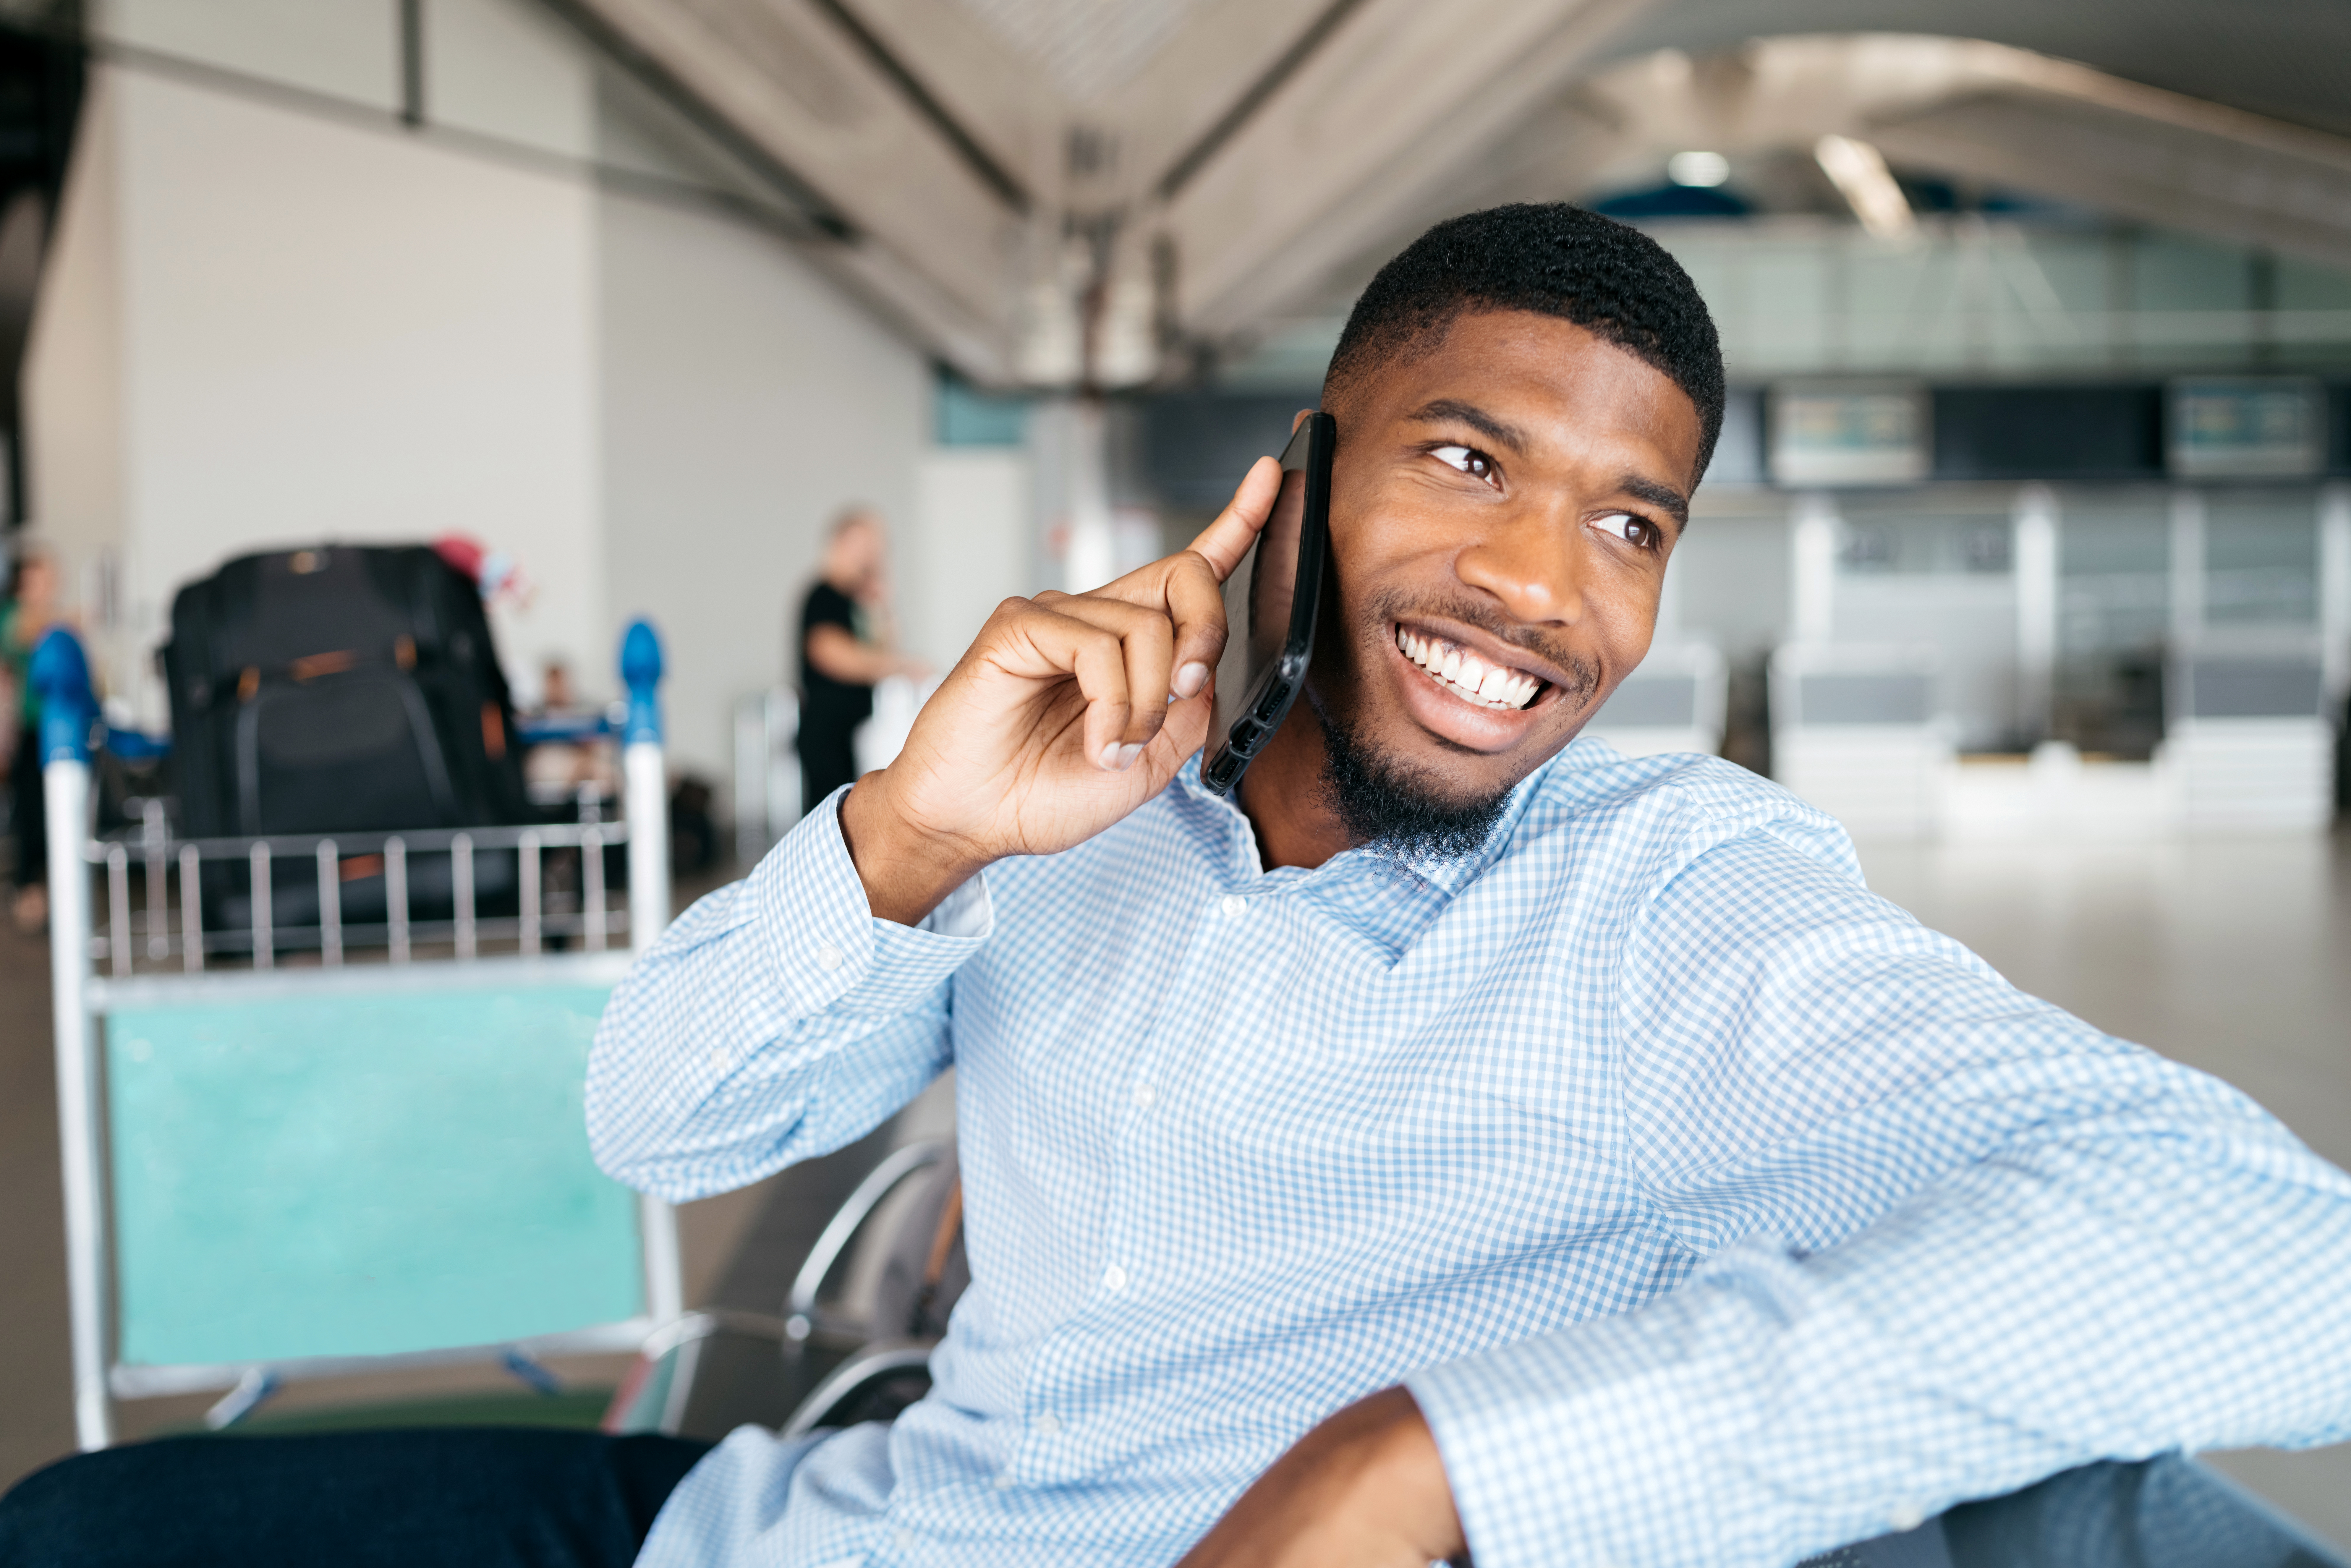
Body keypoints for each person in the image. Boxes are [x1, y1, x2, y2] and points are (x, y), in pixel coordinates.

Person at [8, 203, 2351, 1568]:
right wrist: (911, 838)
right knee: (81, 1532)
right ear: (1303, 477)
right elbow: (652, 1126)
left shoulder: (1675, 894)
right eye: (1469, 460)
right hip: (812, 1527)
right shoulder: (1078, 801)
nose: (1544, 581)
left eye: (1626, 518)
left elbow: (2279, 1266)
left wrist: (1423, 1464)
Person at [796, 508, 928, 810]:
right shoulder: (822, 595)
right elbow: (830, 654)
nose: (870, 556)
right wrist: (901, 665)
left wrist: (883, 604)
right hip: (827, 734)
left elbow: (884, 649)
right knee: (831, 821)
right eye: (863, 547)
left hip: (858, 732)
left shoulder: (860, 602)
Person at [1, 546, 59, 934]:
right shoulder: (18, 618)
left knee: (46, 816)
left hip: (49, 730)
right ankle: (28, 895)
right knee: (32, 817)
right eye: (45, 576)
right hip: (30, 730)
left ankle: (41, 895)